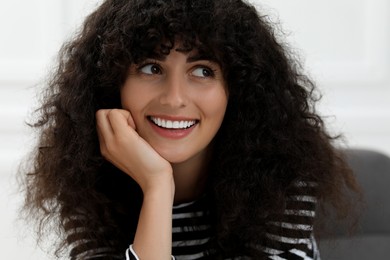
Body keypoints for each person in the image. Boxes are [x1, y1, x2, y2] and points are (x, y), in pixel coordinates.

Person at [21, 0, 361, 259]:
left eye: (202, 71)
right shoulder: (87, 183)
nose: (175, 99)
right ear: (113, 83)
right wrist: (157, 187)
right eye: (152, 67)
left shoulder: (282, 178)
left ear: (238, 88)